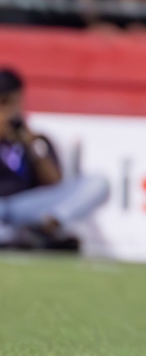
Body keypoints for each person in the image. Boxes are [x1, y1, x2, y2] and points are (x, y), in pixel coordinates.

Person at [0, 69, 108, 250]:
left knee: (99, 183)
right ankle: (17, 239)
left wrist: (31, 145)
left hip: (25, 207)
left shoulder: (33, 139)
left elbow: (53, 183)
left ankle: (48, 228)